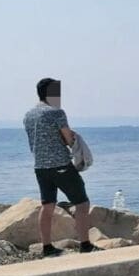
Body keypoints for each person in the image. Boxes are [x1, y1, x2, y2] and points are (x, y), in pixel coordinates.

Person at [23, 78, 98, 256]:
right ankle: (85, 244)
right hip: (60, 164)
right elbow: (68, 139)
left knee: (47, 205)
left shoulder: (28, 115)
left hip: (40, 167)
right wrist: (74, 140)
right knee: (82, 203)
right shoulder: (56, 112)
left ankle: (47, 247)